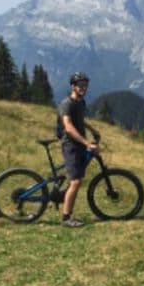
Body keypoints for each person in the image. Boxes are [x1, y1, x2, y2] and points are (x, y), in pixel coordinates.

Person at [56, 71, 101, 227]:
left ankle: (65, 195)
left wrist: (93, 130)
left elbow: (80, 120)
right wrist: (87, 143)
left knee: (77, 178)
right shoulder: (66, 104)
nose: (83, 88)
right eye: (80, 85)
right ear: (72, 86)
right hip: (70, 145)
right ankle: (66, 218)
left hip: (78, 144)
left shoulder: (81, 103)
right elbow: (68, 127)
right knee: (75, 182)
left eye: (85, 85)